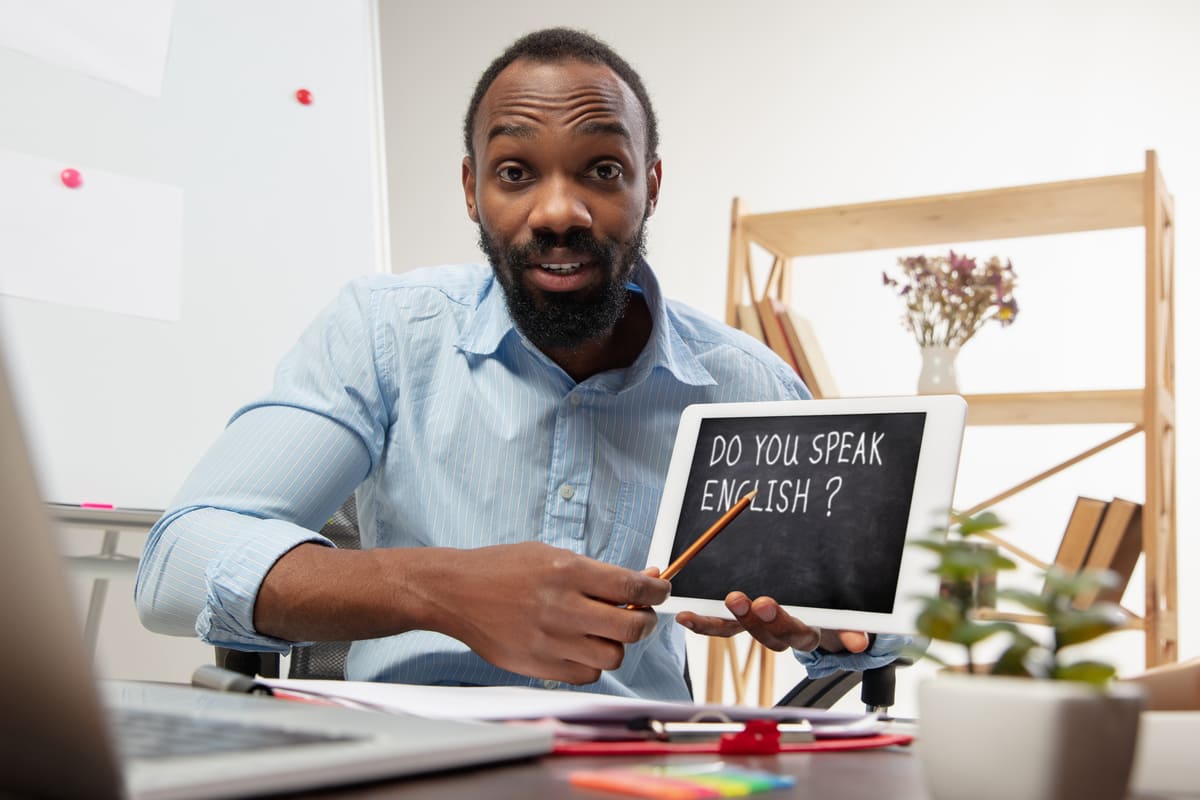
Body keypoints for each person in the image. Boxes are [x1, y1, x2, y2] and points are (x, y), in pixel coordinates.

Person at [135, 27, 899, 701]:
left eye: (602, 169)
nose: (558, 212)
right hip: (408, 762)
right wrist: (437, 588)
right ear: (472, 190)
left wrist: (838, 628)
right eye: (514, 172)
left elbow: (882, 630)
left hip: (639, 772)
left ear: (650, 186)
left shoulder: (747, 383)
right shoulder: (383, 333)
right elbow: (176, 561)